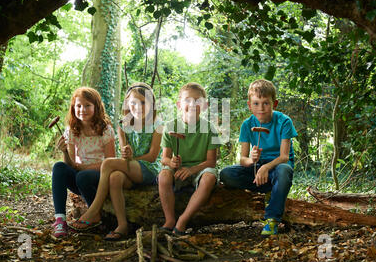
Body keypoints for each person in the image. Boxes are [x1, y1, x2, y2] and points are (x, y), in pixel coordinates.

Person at [69, 83, 162, 241]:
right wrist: (126, 155)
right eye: (133, 103)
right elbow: (124, 157)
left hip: (149, 170)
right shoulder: (123, 125)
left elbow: (152, 157)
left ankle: (93, 210)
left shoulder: (157, 124)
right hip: (130, 169)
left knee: (108, 163)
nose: (137, 107)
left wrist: (131, 159)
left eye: (143, 102)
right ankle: (122, 225)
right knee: (115, 177)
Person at [220, 79, 298, 235]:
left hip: (278, 166)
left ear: (274, 104)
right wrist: (252, 159)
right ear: (249, 105)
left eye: (265, 103)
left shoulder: (284, 122)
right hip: (258, 167)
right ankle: (268, 189)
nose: (261, 108)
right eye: (256, 103)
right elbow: (243, 159)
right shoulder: (247, 125)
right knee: (225, 174)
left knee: (283, 172)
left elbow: (284, 157)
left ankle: (272, 218)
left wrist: (266, 167)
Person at [51, 87, 116, 238]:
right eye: (79, 106)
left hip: (99, 177)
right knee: (59, 167)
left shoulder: (105, 130)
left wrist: (83, 168)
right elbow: (71, 164)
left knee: (83, 176)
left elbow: (110, 162)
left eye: (87, 105)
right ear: (73, 107)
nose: (82, 109)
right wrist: (65, 152)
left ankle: (95, 215)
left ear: (96, 107)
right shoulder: (73, 130)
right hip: (80, 176)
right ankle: (60, 219)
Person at [158, 82, 221, 236]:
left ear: (204, 106)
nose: (192, 104)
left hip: (200, 169)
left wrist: (192, 169)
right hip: (178, 170)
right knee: (164, 175)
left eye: (197, 101)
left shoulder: (210, 128)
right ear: (179, 104)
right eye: (187, 100)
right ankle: (170, 220)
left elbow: (211, 161)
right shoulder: (170, 126)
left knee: (210, 176)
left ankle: (182, 221)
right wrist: (172, 163)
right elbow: (164, 158)